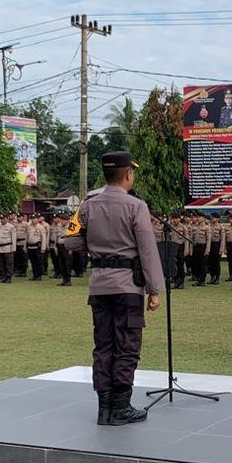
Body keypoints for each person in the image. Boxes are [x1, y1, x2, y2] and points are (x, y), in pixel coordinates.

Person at [65, 151, 164, 426]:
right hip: (128, 286)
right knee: (127, 345)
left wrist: (97, 248)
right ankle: (121, 407)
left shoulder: (87, 205)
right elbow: (147, 249)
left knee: (103, 346)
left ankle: (104, 409)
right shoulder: (136, 206)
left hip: (99, 285)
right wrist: (154, 289)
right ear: (128, 174)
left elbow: (70, 241)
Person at [0, 214, 16, 284]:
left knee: (9, 263)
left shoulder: (11, 227)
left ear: (7, 219)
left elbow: (14, 238)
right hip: (0, 248)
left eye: (4, 218)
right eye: (1, 219)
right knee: (1, 264)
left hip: (8, 247)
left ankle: (8, 277)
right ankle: (3, 277)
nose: (2, 220)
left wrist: (13, 248)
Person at [189, 212, 209, 286]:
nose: (199, 218)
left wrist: (207, 250)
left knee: (202, 264)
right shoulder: (194, 227)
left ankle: (202, 280)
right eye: (198, 217)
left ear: (203, 218)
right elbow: (191, 239)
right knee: (196, 264)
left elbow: (208, 240)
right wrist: (190, 249)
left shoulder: (207, 227)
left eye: (201, 217)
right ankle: (198, 279)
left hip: (203, 246)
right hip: (195, 246)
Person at [206, 213, 223, 285]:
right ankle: (212, 277)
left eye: (214, 217)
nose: (213, 219)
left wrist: (221, 248)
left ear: (218, 219)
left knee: (216, 262)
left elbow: (222, 239)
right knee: (210, 262)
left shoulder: (220, 227)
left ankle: (217, 278)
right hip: (210, 245)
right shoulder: (208, 226)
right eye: (212, 217)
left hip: (217, 244)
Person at [13, 213, 29, 277]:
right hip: (17, 242)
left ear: (23, 217)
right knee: (17, 258)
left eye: (20, 217)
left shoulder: (26, 224)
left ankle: (23, 271)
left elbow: (28, 234)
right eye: (18, 217)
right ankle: (19, 271)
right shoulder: (15, 225)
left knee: (24, 258)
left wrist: (26, 245)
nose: (19, 218)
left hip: (23, 242)